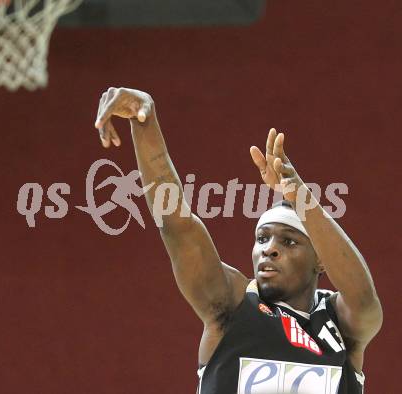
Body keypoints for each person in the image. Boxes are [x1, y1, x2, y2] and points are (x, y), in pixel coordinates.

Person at [94, 87, 382, 394]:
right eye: (262, 238)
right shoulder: (233, 304)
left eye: (289, 242)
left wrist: (301, 197)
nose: (269, 249)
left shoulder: (340, 323)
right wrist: (143, 122)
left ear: (320, 259)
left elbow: (364, 300)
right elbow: (177, 225)